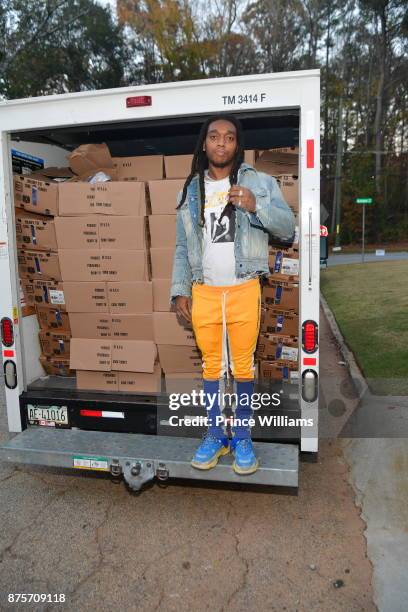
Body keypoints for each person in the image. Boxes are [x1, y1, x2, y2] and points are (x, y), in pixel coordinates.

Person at [170, 114, 295, 474]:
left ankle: (241, 436)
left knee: (242, 367)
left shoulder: (259, 182)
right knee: (211, 367)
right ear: (205, 144)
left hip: (244, 287)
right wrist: (180, 290)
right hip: (204, 291)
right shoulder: (190, 189)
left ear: (237, 145)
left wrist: (256, 206)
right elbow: (182, 245)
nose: (221, 143)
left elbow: (287, 228)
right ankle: (214, 434)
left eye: (228, 137)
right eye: (214, 137)